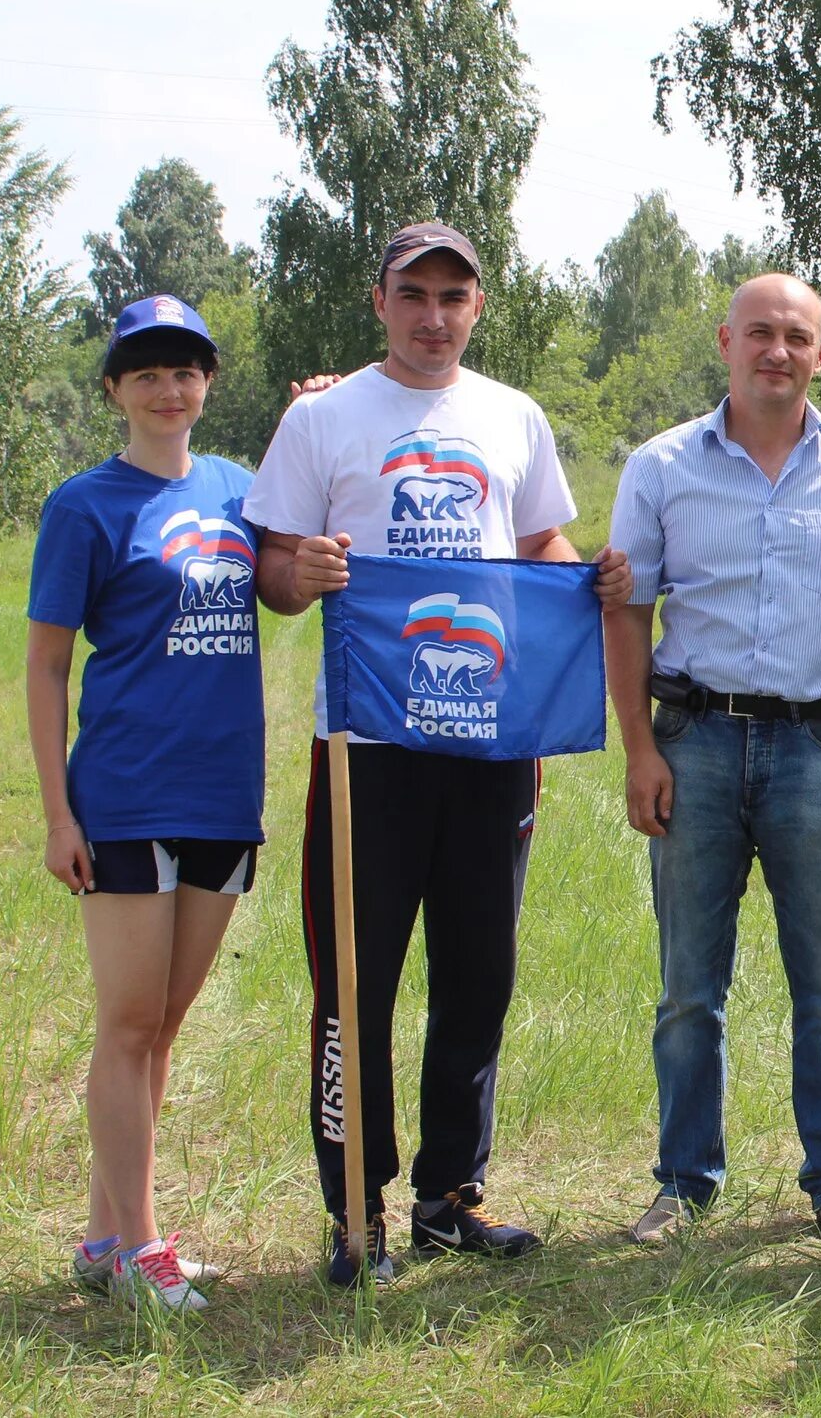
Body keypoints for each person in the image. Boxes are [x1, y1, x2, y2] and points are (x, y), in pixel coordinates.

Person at [248, 222, 628, 1285]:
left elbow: (535, 547)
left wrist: (582, 576)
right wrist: (306, 571)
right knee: (354, 983)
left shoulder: (513, 416)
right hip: (367, 743)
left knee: (478, 972)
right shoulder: (321, 419)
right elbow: (272, 565)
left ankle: (449, 1196)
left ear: (477, 307)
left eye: (452, 297)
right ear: (380, 301)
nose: (432, 316)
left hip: (490, 739)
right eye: (413, 294)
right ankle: (354, 1210)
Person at [604, 272, 821, 1246]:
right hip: (691, 742)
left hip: (818, 746)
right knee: (689, 989)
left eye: (796, 336)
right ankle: (683, 1184)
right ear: (724, 341)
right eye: (758, 334)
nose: (775, 351)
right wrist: (639, 749)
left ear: (820, 352)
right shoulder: (659, 467)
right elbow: (626, 608)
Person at [27, 295, 262, 1312]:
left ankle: (104, 1238)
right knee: (126, 1026)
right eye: (147, 372)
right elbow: (44, 669)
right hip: (125, 795)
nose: (170, 390)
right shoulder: (83, 506)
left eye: (187, 370)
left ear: (207, 383)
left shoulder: (238, 490)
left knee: (161, 1028)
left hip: (223, 793)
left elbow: (298, 567)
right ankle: (140, 1251)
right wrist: (58, 816)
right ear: (115, 388)